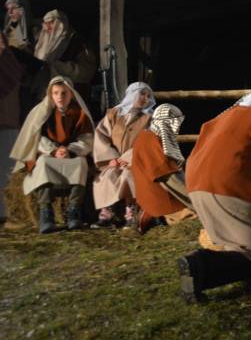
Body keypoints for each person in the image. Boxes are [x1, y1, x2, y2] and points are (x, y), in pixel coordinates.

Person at [180, 87, 251, 302]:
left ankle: (250, 276)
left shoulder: (224, 117)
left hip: (197, 185)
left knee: (238, 244)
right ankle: (200, 266)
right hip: (231, 185)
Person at [9, 75, 94, 233]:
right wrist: (54, 150)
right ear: (50, 94)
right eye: (56, 93)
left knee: (81, 163)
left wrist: (70, 150)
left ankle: (74, 211)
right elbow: (35, 137)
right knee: (43, 164)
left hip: (72, 155)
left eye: (64, 93)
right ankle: (46, 212)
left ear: (71, 94)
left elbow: (87, 139)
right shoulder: (41, 112)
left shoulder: (80, 113)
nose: (60, 97)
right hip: (48, 153)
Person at [91, 82, 156, 229]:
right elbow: (101, 135)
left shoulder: (150, 118)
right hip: (114, 160)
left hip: (136, 161)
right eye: (142, 94)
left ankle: (131, 213)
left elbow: (150, 142)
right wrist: (110, 158)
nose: (145, 98)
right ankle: (108, 213)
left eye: (148, 96)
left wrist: (129, 158)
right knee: (108, 176)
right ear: (132, 94)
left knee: (128, 176)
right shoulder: (114, 114)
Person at [131, 103, 195, 233]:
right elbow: (169, 177)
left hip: (166, 191)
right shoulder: (150, 140)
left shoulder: (155, 137)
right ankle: (154, 216)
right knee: (199, 216)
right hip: (160, 196)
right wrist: (197, 200)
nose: (177, 126)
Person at [32, 9, 97, 102]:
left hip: (69, 95)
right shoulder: (43, 42)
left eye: (51, 22)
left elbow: (87, 72)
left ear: (60, 24)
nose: (47, 26)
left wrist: (57, 67)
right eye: (46, 23)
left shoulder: (76, 42)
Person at [0, 32, 24, 228]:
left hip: (7, 121)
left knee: (7, 170)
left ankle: (6, 213)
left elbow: (13, 80)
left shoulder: (9, 61)